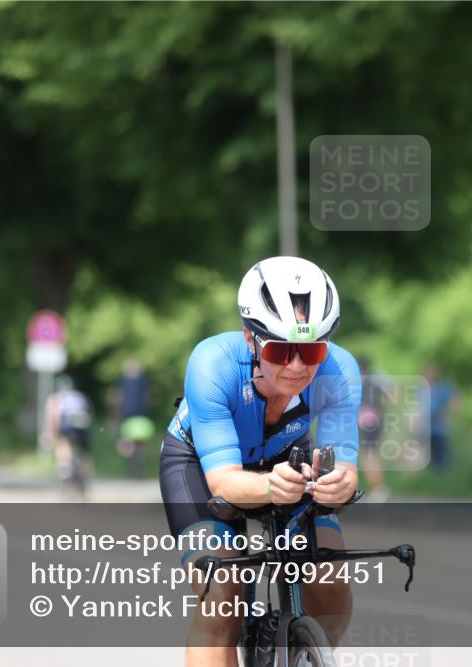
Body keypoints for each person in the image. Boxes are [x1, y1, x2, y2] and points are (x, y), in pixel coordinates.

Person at [159, 256, 360, 667]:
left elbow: (347, 466)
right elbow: (225, 482)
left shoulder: (340, 371)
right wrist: (270, 486)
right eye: (282, 350)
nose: (298, 365)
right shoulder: (212, 363)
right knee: (223, 597)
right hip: (200, 463)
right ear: (250, 339)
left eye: (311, 349)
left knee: (332, 587)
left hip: (288, 459)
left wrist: (339, 482)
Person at [44, 374, 94, 495]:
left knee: (62, 443)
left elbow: (53, 418)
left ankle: (65, 467)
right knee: (84, 452)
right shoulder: (80, 396)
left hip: (67, 422)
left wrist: (51, 434)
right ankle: (85, 476)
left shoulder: (55, 398)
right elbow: (90, 413)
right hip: (83, 423)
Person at [357, 356, 390, 501]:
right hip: (377, 417)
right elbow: (392, 396)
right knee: (371, 452)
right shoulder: (378, 377)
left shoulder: (357, 379)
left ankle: (379, 488)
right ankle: (378, 487)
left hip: (366, 418)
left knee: (368, 454)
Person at [115, 359, 153, 477]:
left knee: (127, 440)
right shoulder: (144, 380)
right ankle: (138, 467)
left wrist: (116, 412)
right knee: (141, 442)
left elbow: (118, 396)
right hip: (141, 414)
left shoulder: (122, 380)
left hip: (127, 414)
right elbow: (148, 396)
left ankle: (131, 467)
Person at [421, 363, 459, 470]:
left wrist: (446, 412)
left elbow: (455, 400)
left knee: (440, 453)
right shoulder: (421, 387)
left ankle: (443, 474)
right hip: (423, 427)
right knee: (423, 454)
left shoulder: (443, 386)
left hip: (438, 427)